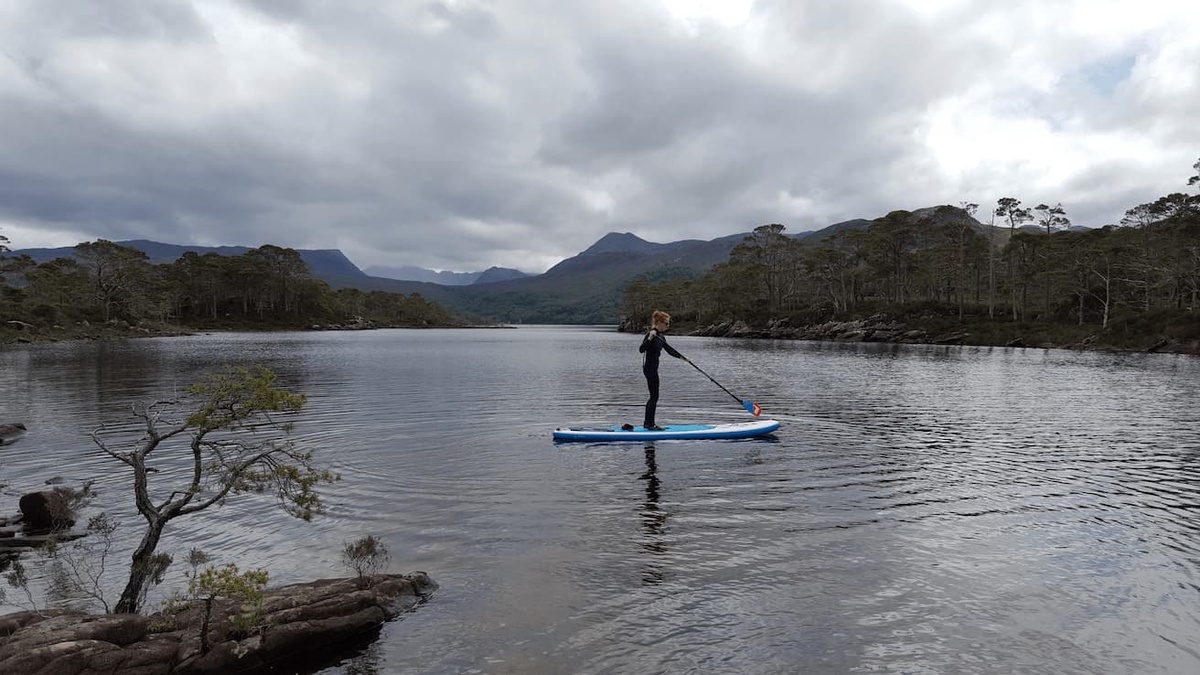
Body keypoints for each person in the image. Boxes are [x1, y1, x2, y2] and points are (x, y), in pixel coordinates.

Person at [639, 310, 687, 430]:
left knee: (654, 396)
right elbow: (641, 349)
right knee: (654, 396)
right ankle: (649, 424)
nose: (667, 326)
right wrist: (649, 338)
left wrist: (682, 357)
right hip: (649, 368)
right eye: (666, 323)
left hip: (654, 368)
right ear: (659, 323)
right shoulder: (652, 334)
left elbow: (669, 350)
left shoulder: (661, 336)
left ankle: (648, 423)